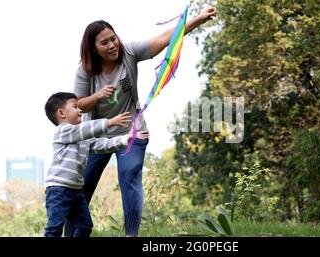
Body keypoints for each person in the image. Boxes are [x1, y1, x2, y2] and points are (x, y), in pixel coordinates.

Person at [66, 6, 217, 237]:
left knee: (130, 175)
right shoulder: (85, 70)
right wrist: (97, 96)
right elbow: (77, 105)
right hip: (96, 136)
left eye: (113, 39)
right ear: (93, 48)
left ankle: (131, 235)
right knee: (80, 187)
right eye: (104, 43)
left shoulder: (129, 52)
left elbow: (167, 37)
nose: (112, 45)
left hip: (131, 132)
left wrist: (198, 19)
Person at [43, 92, 149, 237]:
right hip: (58, 190)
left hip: (76, 191)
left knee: (85, 226)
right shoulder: (62, 131)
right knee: (54, 227)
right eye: (75, 107)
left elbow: (102, 144)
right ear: (61, 113)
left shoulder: (82, 138)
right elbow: (86, 129)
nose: (80, 110)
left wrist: (126, 138)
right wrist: (110, 122)